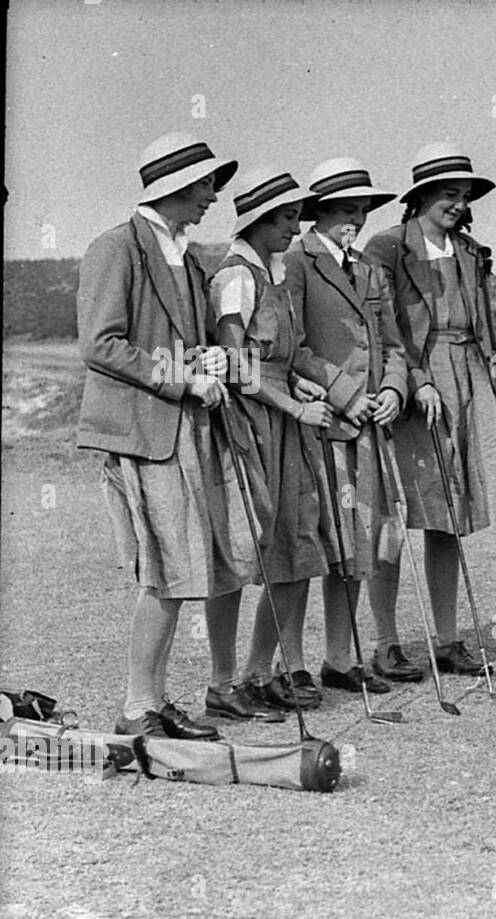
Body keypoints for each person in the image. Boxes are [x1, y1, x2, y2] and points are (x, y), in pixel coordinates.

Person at [77, 131, 248, 740]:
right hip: (143, 434)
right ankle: (137, 707)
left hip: (183, 433)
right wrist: (183, 380)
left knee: (179, 572)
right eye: (205, 185)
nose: (211, 197)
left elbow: (177, 338)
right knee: (166, 571)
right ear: (174, 187)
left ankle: (149, 701)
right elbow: (101, 344)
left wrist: (209, 359)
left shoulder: (187, 254)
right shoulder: (116, 248)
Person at [364, 142, 496, 680]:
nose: (458, 204)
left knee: (450, 516)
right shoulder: (386, 249)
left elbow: (490, 329)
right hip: (412, 387)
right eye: (449, 194)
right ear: (422, 196)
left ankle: (447, 639)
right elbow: (386, 329)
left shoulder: (471, 251)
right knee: (396, 516)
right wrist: (418, 381)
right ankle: (385, 642)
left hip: (469, 374)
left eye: (464, 195)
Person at [207, 165, 337, 715]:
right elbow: (238, 364)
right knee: (244, 554)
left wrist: (299, 380)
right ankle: (223, 683)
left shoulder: (275, 272)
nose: (293, 227)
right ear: (258, 220)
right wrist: (293, 404)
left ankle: (263, 671)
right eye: (285, 218)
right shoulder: (236, 275)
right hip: (253, 426)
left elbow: (277, 354)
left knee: (296, 547)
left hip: (289, 422)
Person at [284, 157, 408, 696]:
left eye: (361, 208)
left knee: (361, 544)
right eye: (341, 209)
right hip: (324, 426)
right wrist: (347, 393)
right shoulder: (296, 262)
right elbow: (294, 348)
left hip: (371, 428)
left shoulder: (370, 268)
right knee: (320, 544)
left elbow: (395, 344)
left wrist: (394, 391)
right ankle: (289, 666)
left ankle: (341, 657)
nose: (353, 218)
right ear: (319, 212)